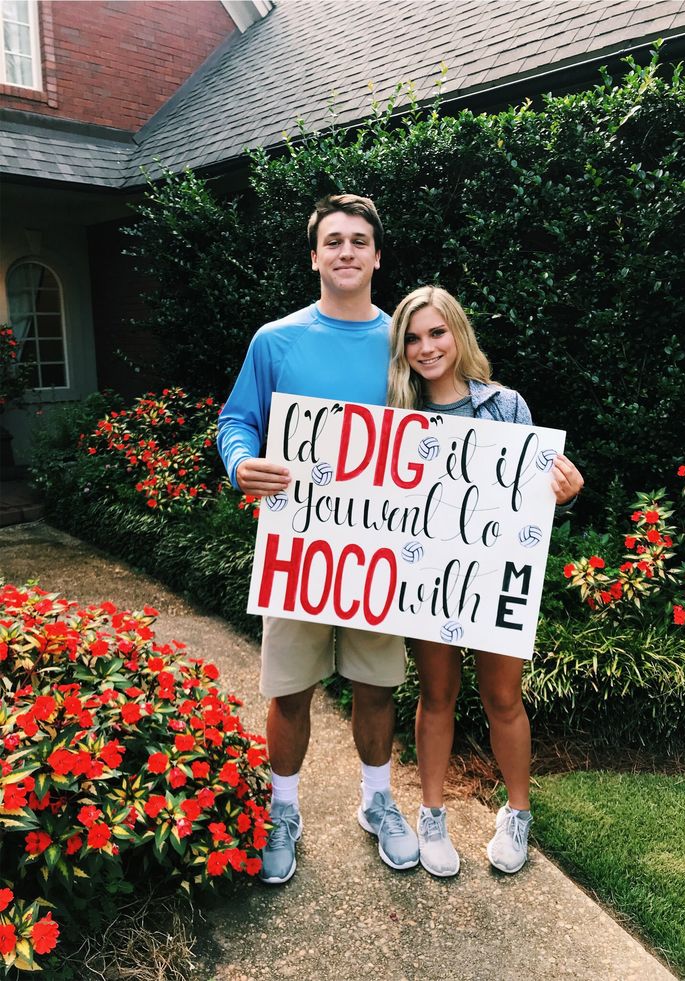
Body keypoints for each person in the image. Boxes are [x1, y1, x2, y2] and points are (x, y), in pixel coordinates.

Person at [217, 194, 419, 884]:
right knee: (290, 691)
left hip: (380, 552)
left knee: (375, 686)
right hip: (299, 551)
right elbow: (236, 419)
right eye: (333, 240)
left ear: (376, 256)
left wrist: (536, 469)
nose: (346, 251)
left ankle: (377, 801)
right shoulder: (275, 340)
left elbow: (455, 426)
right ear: (314, 256)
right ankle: (282, 811)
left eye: (359, 240)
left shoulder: (402, 343)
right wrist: (241, 460)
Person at [387, 285, 584, 878]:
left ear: (458, 333)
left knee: (503, 698)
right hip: (426, 578)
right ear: (402, 349)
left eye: (437, 332)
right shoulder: (394, 416)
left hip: (497, 577)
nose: (427, 347)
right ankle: (432, 813)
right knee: (437, 695)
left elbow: (534, 502)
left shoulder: (506, 406)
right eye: (414, 338)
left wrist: (564, 496)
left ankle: (517, 812)